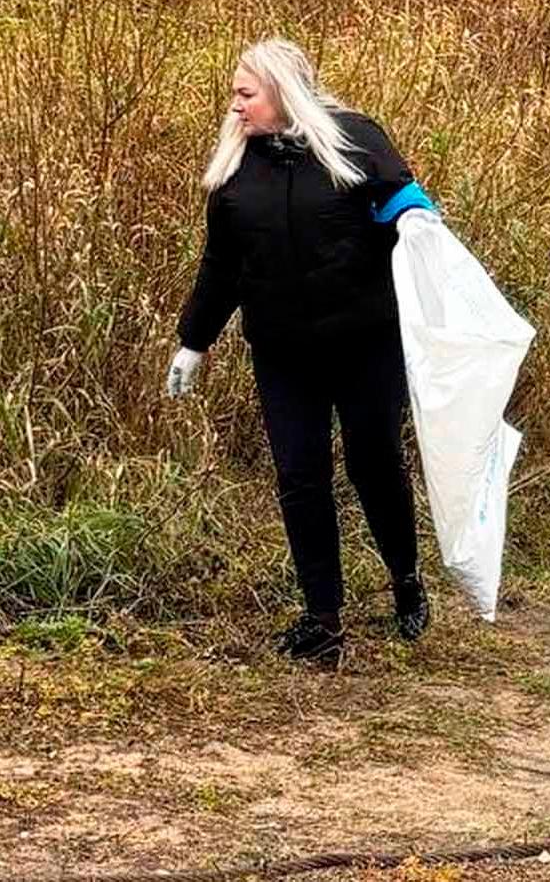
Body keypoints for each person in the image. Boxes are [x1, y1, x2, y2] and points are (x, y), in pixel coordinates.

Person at [165, 38, 435, 666]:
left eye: (246, 93)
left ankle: (405, 579)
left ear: (282, 91)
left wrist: (417, 219)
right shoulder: (235, 171)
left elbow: (399, 200)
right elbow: (221, 265)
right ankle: (323, 617)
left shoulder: (355, 139)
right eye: (235, 92)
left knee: (375, 462)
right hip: (283, 352)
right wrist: (192, 342)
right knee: (299, 476)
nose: (234, 105)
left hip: (364, 341)